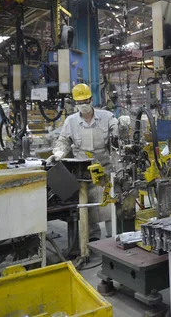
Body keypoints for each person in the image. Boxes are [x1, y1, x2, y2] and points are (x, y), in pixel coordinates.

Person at [47, 83, 119, 240]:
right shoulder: (71, 121)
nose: (83, 106)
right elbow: (64, 140)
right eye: (79, 103)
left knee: (109, 206)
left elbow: (117, 134)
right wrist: (59, 152)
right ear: (75, 103)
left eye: (85, 101)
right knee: (87, 207)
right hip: (83, 173)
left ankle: (113, 238)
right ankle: (92, 240)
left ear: (92, 100)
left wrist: (122, 127)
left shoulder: (106, 117)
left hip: (104, 170)